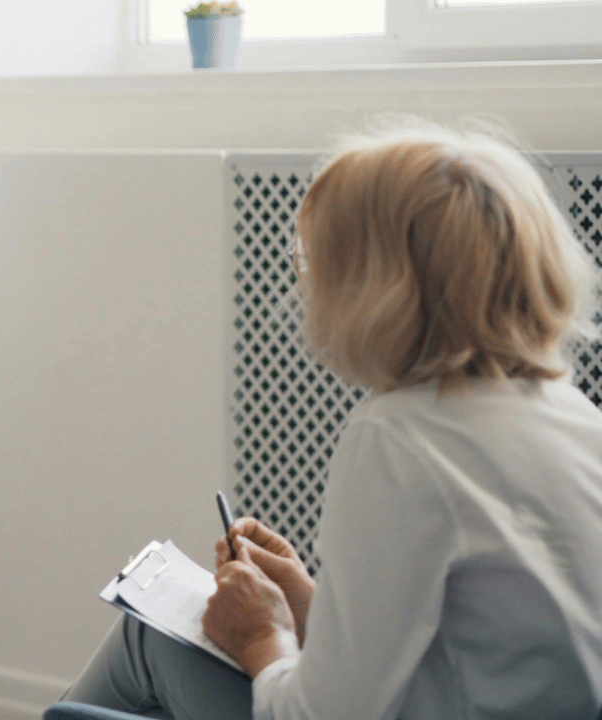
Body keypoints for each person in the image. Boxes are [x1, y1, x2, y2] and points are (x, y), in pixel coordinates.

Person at [61, 119, 602, 719]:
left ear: (374, 288)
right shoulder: (575, 416)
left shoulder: (399, 437)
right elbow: (465, 641)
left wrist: (263, 634)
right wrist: (308, 603)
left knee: (130, 652)